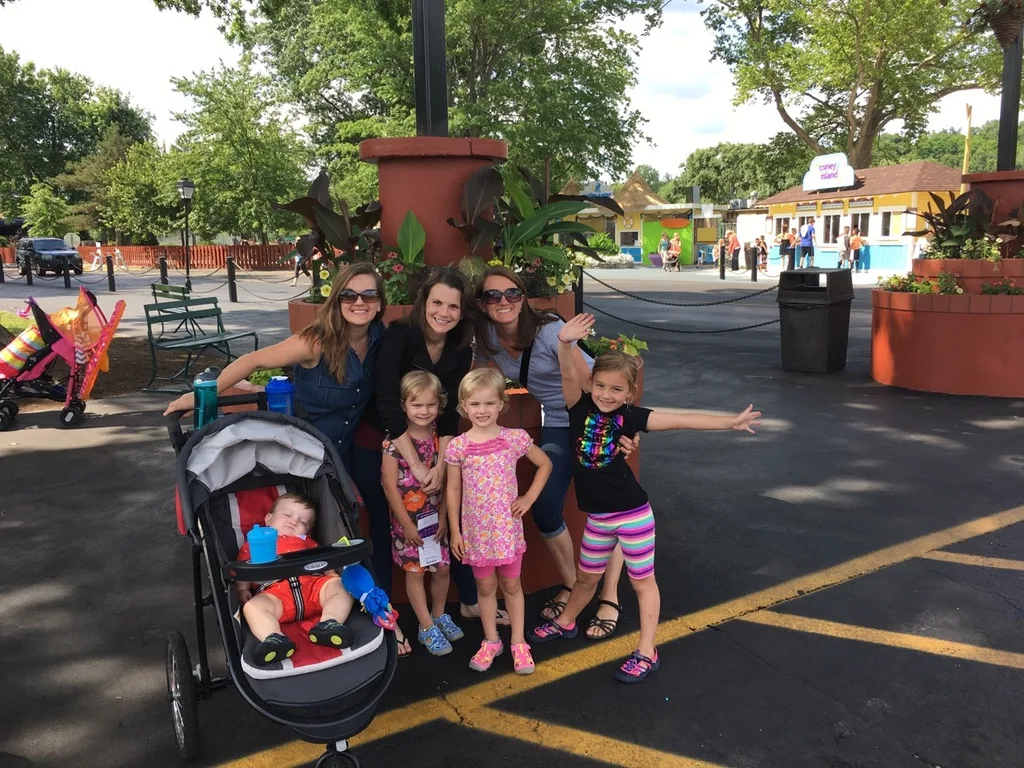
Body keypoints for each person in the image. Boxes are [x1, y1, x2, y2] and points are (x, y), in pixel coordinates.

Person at [531, 313, 761, 683]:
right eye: (601, 386)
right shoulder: (578, 407)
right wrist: (564, 342)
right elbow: (567, 374)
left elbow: (680, 419)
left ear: (630, 393)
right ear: (591, 383)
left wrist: (728, 422)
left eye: (617, 390)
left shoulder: (633, 418)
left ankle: (646, 650)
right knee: (586, 579)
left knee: (642, 583)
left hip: (633, 515)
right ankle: (566, 621)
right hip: (598, 519)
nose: (607, 394)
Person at [473, 266, 632, 639]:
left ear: (523, 296)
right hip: (558, 425)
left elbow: (587, 385)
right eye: (493, 296)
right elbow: (479, 383)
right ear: (482, 304)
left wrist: (565, 345)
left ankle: (609, 595)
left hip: (595, 420)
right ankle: (575, 584)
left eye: (512, 293)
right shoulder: (488, 339)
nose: (504, 301)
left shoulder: (547, 331)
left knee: (611, 507)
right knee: (544, 508)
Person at [373, 266, 495, 654]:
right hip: (397, 441)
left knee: (441, 554)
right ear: (424, 300)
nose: (443, 312)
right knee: (390, 537)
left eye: (453, 306)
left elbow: (446, 415)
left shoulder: (459, 347)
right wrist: (420, 465)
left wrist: (442, 464)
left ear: (462, 312)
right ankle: (386, 618)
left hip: (436, 448)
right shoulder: (400, 337)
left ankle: (452, 609)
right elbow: (389, 404)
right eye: (437, 302)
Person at [163, 261, 384, 464]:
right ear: (336, 301)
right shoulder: (316, 342)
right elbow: (253, 361)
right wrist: (200, 396)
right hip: (300, 454)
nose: (359, 302)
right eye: (348, 295)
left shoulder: (380, 339)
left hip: (342, 455)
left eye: (369, 295)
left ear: (380, 304)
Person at [444, 369, 553, 675]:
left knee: (512, 585)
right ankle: (492, 640)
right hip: (476, 532)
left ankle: (518, 641)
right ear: (464, 406)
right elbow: (452, 489)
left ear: (501, 404)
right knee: (485, 587)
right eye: (475, 404)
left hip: (506, 530)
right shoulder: (459, 446)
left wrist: (529, 498)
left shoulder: (513, 439)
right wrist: (455, 530)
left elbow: (545, 464)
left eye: (489, 403)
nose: (482, 411)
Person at [381, 370, 462, 657]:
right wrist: (406, 525)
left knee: (442, 569)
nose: (424, 411)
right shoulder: (394, 443)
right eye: (416, 405)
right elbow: (389, 487)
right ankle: (425, 625)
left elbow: (450, 482)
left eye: (430, 405)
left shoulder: (444, 439)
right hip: (409, 524)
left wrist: (443, 517)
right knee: (415, 573)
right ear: (404, 405)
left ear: (439, 405)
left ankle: (439, 615)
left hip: (435, 521)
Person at [236, 493, 356, 666]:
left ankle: (329, 623)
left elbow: (324, 558)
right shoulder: (254, 544)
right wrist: (242, 589)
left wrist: (330, 574)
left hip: (313, 589)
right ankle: (273, 638)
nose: (293, 522)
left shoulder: (307, 542)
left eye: (302, 522)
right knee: (252, 607)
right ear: (268, 519)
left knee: (342, 585)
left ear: (307, 531)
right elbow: (243, 568)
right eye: (287, 515)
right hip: (275, 595)